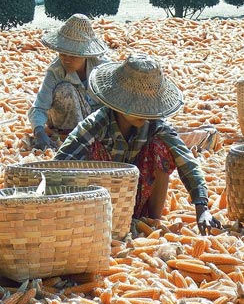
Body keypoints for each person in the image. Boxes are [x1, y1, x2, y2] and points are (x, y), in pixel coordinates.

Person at [54, 53, 221, 236]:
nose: (143, 113)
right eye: (138, 106)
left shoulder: (155, 124)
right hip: (99, 204)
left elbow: (186, 161)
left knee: (161, 147)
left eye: (146, 107)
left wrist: (201, 206)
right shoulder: (97, 124)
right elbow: (60, 163)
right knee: (88, 150)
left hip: (138, 202)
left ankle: (152, 222)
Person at [28, 13, 109, 150]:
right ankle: (71, 140)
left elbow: (114, 104)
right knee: (66, 90)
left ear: (85, 54)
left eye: (73, 56)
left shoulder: (102, 69)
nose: (66, 59)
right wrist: (39, 132)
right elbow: (39, 107)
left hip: (97, 122)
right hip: (64, 125)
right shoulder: (56, 71)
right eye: (63, 54)